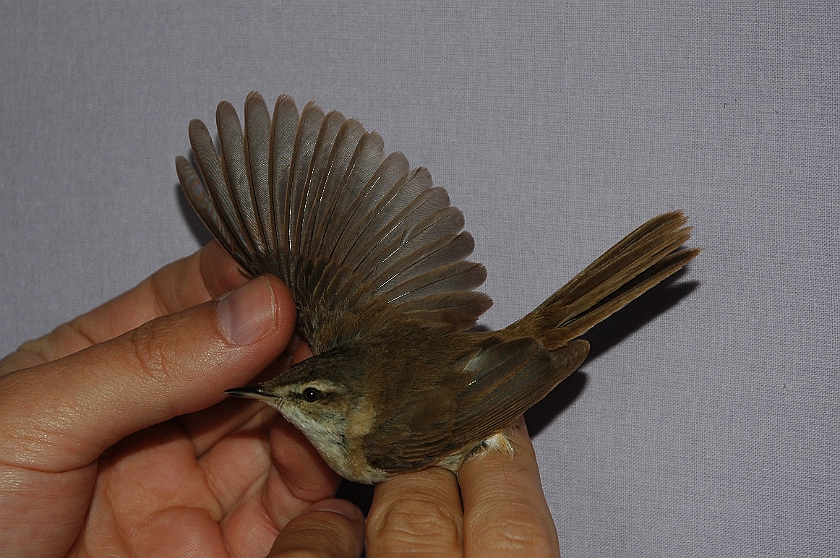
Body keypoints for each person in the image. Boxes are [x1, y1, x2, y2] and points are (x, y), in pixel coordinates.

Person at [0, 241, 561, 557]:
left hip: (481, 374)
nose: (287, 403)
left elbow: (477, 396)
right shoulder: (356, 374)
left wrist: (500, 407)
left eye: (310, 396)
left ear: (345, 406)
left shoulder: (373, 440)